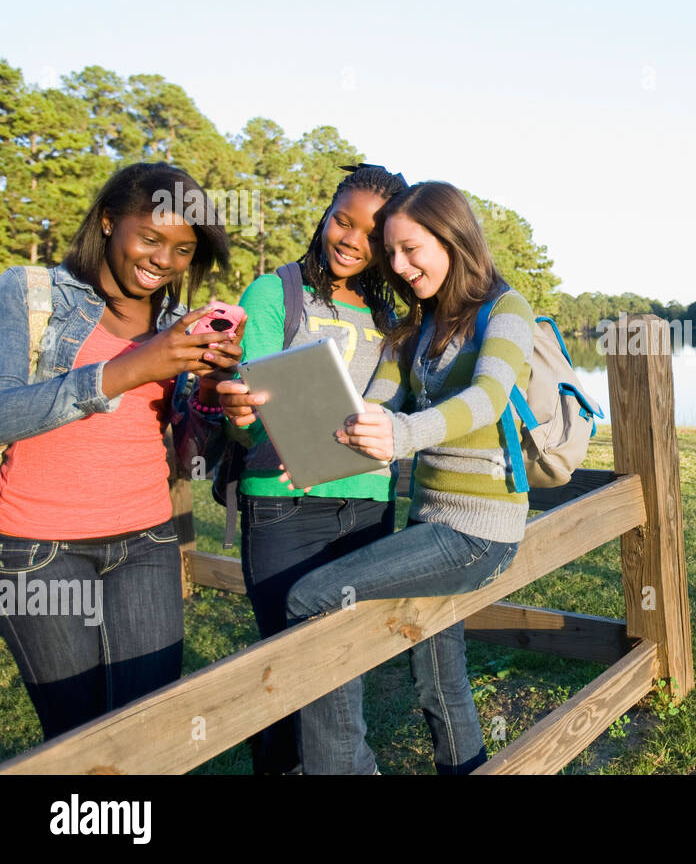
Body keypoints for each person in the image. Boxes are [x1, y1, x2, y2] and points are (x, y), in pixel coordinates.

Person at [282, 180, 534, 775]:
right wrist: (320, 443)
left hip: (479, 534)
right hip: (428, 524)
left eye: (411, 249)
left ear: (453, 238)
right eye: (390, 252)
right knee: (437, 678)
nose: (398, 264)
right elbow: (373, 404)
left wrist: (403, 435)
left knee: (308, 597)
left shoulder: (506, 310)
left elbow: (489, 398)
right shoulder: (416, 327)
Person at [0, 161, 241, 740]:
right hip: (38, 548)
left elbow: (186, 451)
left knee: (150, 728)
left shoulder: (180, 324)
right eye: (152, 238)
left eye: (183, 249)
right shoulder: (29, 293)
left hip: (147, 542)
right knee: (78, 735)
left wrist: (211, 395)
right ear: (109, 222)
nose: (164, 259)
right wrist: (132, 368)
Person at [213, 163, 407, 774]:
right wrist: (238, 414)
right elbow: (246, 420)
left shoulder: (392, 317)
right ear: (325, 215)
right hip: (284, 503)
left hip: (369, 506)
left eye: (370, 234)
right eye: (341, 220)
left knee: (342, 663)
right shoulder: (274, 294)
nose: (350, 239)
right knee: (289, 665)